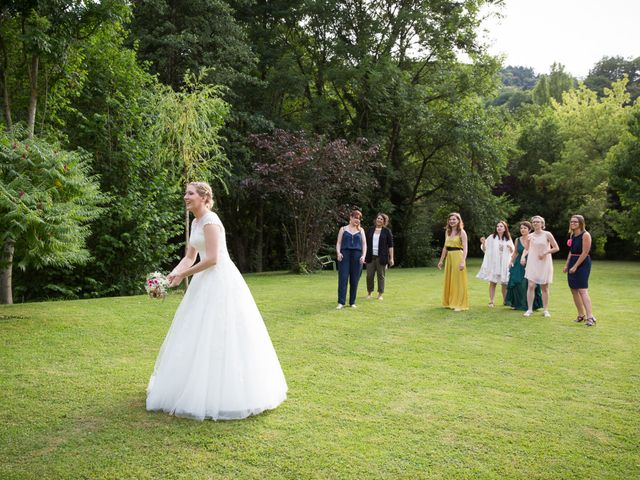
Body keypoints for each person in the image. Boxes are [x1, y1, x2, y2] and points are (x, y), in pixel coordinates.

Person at [146, 182, 287, 420]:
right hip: (202, 282)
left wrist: (184, 275)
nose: (185, 197)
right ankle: (188, 387)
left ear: (203, 197)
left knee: (222, 332)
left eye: (190, 193)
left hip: (220, 281)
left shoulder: (211, 221)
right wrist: (170, 277)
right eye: (186, 193)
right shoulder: (195, 222)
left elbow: (212, 259)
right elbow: (190, 256)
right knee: (194, 331)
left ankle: (225, 393)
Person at [522, 215, 560, 318]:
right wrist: (527, 240)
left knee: (544, 287)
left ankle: (546, 310)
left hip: (544, 262)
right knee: (530, 285)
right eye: (534, 222)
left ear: (542, 224)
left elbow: (556, 248)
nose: (535, 223)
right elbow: (526, 248)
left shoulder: (547, 234)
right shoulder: (530, 235)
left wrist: (545, 252)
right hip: (532, 262)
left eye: (538, 222)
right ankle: (529, 309)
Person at [563, 215, 596, 326]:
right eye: (571, 222)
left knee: (582, 290)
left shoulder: (585, 235)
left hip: (582, 263)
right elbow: (571, 252)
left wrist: (576, 266)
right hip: (573, 261)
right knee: (573, 290)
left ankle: (590, 317)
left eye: (575, 222)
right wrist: (567, 265)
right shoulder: (573, 235)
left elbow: (585, 252)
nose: (573, 223)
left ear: (581, 223)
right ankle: (581, 315)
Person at [505, 221, 543, 311]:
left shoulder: (532, 238)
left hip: (531, 262)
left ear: (529, 230)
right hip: (519, 263)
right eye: (521, 228)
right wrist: (511, 262)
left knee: (529, 283)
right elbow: (515, 252)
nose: (522, 230)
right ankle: (518, 304)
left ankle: (531, 305)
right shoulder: (517, 239)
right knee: (517, 282)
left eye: (525, 228)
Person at [476, 220, 515, 307]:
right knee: (493, 282)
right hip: (494, 262)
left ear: (505, 228)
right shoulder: (492, 237)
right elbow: (485, 249)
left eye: (501, 226)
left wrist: (510, 248)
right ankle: (491, 301)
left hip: (504, 262)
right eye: (498, 226)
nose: (499, 228)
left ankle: (505, 300)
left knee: (504, 283)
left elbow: (513, 251)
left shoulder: (508, 238)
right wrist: (483, 243)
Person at [336, 209, 367, 309]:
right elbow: (338, 243)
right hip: (344, 255)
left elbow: (364, 244)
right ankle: (341, 302)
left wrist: (363, 255)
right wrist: (338, 252)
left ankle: (352, 302)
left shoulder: (361, 230)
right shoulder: (343, 229)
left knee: (354, 280)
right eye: (355, 218)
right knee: (343, 279)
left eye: (359, 219)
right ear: (351, 217)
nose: (357, 220)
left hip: (357, 257)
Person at [437, 212, 468, 311]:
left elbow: (465, 248)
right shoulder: (448, 232)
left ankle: (459, 304)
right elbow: (445, 247)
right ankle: (450, 302)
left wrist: (463, 261)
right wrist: (441, 260)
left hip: (458, 256)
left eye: (454, 219)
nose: (452, 221)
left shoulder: (462, 232)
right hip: (449, 258)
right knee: (450, 280)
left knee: (458, 281)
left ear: (458, 220)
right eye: (450, 219)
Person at [365, 213, 395, 301]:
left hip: (382, 257)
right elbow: (364, 243)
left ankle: (380, 294)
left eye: (381, 219)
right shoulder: (370, 230)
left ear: (384, 221)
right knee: (369, 275)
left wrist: (392, 258)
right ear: (376, 219)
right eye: (378, 218)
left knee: (380, 276)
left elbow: (390, 245)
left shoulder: (387, 231)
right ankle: (369, 293)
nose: (379, 220)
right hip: (370, 256)